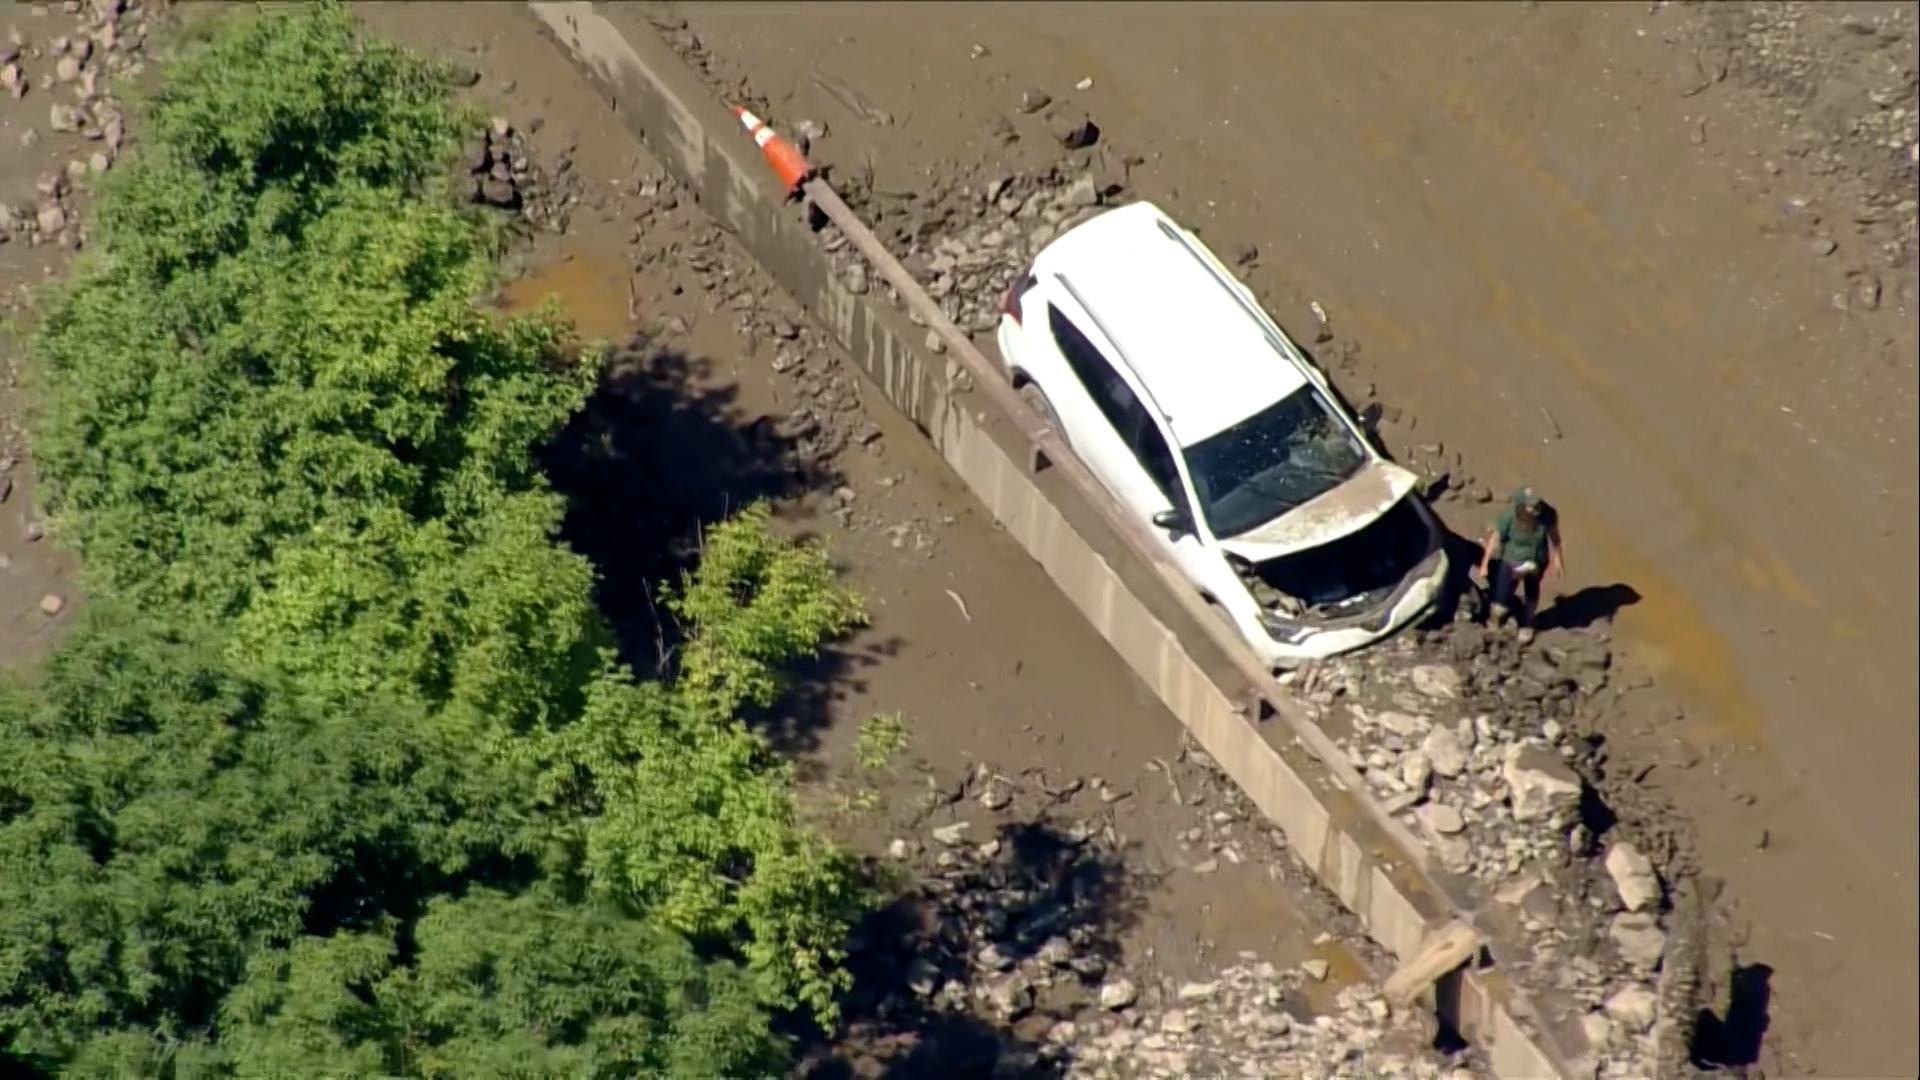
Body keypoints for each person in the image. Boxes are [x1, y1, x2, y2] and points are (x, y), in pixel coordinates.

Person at [1474, 485, 1563, 643]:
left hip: (1536, 561)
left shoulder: (1548, 514)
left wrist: (1558, 560)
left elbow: (1554, 537)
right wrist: (1485, 564)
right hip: (1512, 561)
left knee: (1532, 593)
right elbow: (1495, 539)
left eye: (1537, 505)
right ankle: (1495, 622)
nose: (1536, 509)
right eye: (1531, 507)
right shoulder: (1509, 516)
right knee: (1501, 596)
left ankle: (1527, 623)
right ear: (1521, 505)